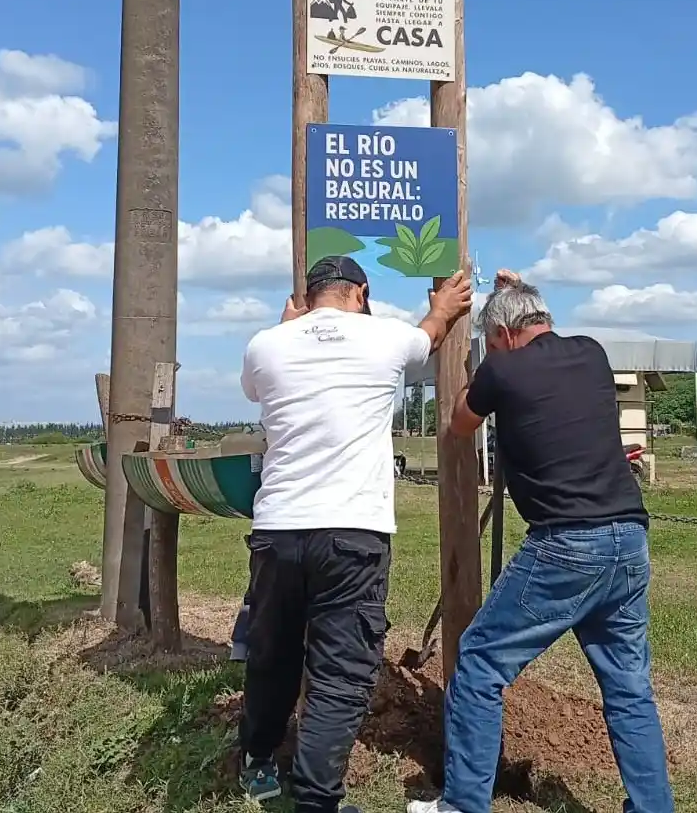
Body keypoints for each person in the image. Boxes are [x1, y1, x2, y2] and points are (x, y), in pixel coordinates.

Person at [409, 272, 674, 813]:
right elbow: (542, 338)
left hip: (566, 544)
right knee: (627, 689)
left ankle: (462, 804)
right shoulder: (591, 354)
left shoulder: (500, 368)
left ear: (501, 334)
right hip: (629, 538)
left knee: (479, 664)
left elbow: (460, 424)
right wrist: (520, 290)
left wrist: (474, 367)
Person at [239, 254, 472, 813]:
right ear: (360, 293)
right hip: (353, 531)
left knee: (273, 653)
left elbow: (254, 391)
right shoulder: (384, 338)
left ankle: (258, 762)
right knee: (341, 670)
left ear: (308, 296)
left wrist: (285, 327)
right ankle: (318, 801)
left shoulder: (265, 345)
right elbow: (430, 335)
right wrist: (441, 307)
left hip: (278, 529)